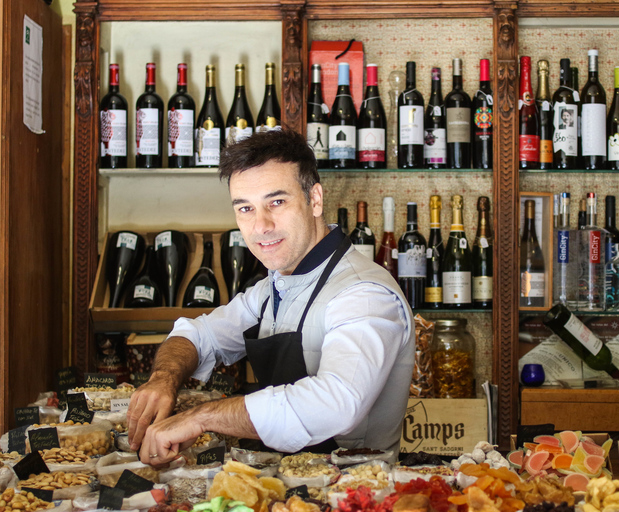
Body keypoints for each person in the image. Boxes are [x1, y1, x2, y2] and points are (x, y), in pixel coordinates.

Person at [126, 129, 415, 466]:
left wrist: (200, 417)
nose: (261, 225)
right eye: (245, 208)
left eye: (276, 202)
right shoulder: (273, 288)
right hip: (283, 489)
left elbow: (337, 403)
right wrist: (164, 379)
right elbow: (199, 335)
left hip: (352, 494)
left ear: (315, 200)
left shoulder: (363, 293)